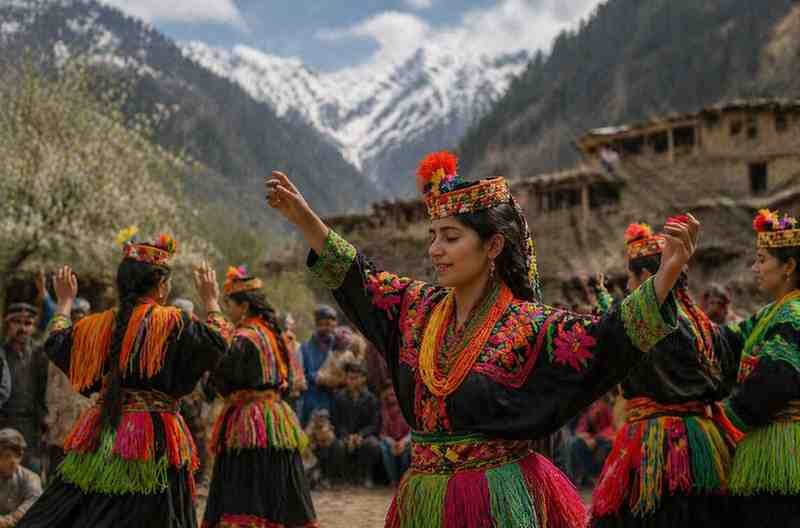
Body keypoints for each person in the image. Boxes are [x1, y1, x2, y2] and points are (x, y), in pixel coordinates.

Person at [265, 150, 698, 526]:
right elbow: (361, 279)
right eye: (433, 236)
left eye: (451, 237)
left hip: (496, 501)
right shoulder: (415, 308)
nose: (435, 249)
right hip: (423, 498)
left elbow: (605, 339)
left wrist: (665, 276)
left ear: (492, 247)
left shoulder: (529, 326)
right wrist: (304, 219)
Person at [18, 230, 228, 528]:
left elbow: (56, 342)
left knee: (93, 509)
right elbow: (219, 342)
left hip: (102, 430)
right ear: (161, 284)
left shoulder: (96, 326)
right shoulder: (173, 322)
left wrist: (64, 302)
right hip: (154, 436)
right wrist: (211, 300)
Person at [591, 220, 743, 527]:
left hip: (654, 445)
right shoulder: (706, 326)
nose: (629, 289)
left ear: (647, 277)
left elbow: (612, 333)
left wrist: (601, 299)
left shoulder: (644, 323)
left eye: (631, 281)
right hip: (706, 444)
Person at [203, 265, 317, 528]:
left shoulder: (244, 338)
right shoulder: (273, 336)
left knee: (247, 494)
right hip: (277, 421)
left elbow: (221, 371)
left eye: (229, 304)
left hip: (249, 425)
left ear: (243, 307)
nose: (228, 311)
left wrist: (211, 307)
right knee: (278, 495)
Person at [719, 210, 800, 525]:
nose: (755, 268)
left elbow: (776, 381)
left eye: (762, 260)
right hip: (763, 446)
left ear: (789, 267)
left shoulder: (792, 315)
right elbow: (724, 341)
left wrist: (724, 418)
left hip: (784, 454)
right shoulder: (769, 314)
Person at [0, 304, 47, 475]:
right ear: (8, 324)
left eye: (28, 323)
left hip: (32, 426)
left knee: (32, 474)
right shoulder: (2, 353)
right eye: (17, 322)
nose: (22, 328)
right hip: (4, 422)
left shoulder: (40, 354)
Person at [330, 361, 381, 488]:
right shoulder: (339, 397)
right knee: (338, 445)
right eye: (349, 378)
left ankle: (365, 476)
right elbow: (336, 422)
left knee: (372, 444)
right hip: (345, 436)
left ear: (363, 379)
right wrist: (347, 436)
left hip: (363, 436)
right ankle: (342, 478)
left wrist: (360, 436)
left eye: (354, 378)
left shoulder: (371, 399)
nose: (351, 381)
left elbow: (374, 425)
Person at [298, 305, 337, 424]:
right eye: (324, 324)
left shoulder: (338, 344)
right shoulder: (306, 348)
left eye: (330, 325)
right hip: (313, 397)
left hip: (335, 398)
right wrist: (318, 378)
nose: (327, 328)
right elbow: (303, 374)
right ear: (317, 324)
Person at [0, 428, 41, 527]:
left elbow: (34, 501)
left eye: (17, 456)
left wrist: (10, 519)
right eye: (7, 456)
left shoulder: (30, 478)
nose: (13, 461)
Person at [378, 383, 411, 486]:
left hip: (406, 440)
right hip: (389, 441)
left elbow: (413, 430)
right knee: (384, 448)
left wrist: (403, 442)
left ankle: (403, 480)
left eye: (394, 393)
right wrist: (392, 442)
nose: (391, 396)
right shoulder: (382, 408)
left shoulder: (407, 407)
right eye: (389, 394)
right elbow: (382, 432)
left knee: (407, 451)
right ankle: (393, 480)